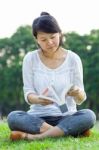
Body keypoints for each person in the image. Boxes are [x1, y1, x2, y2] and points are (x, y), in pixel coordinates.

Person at [7, 12, 96, 141]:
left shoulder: (73, 59)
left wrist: (77, 92)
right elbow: (28, 93)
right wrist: (38, 99)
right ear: (36, 39)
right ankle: (68, 131)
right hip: (39, 118)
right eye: (43, 39)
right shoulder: (30, 59)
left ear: (60, 33)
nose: (49, 42)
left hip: (67, 116)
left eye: (53, 37)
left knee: (89, 115)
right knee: (13, 117)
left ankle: (34, 137)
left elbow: (80, 99)